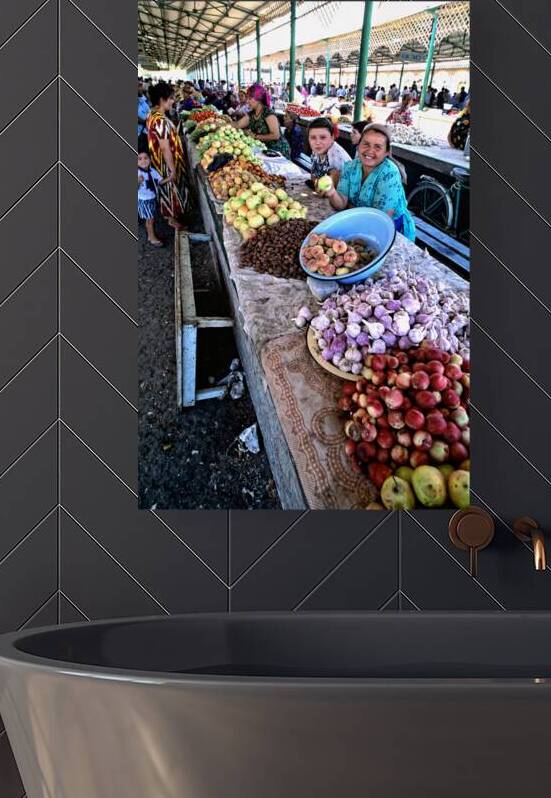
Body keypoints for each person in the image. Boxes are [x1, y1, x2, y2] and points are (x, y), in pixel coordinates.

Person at [317, 123, 415, 241]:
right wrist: (332, 192)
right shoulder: (350, 167)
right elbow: (341, 204)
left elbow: (380, 219)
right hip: (360, 225)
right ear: (358, 146)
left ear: (386, 152)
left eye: (377, 147)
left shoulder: (390, 174)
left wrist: (350, 206)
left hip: (391, 231)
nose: (370, 151)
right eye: (366, 144)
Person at [146, 82, 187, 229]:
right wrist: (172, 169)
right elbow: (164, 147)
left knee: (166, 189)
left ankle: (169, 216)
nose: (173, 101)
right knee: (170, 188)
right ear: (162, 100)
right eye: (170, 98)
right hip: (164, 161)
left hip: (158, 160)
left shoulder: (152, 114)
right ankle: (171, 219)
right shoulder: (160, 120)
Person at [234, 84, 291, 157]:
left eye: (250, 99)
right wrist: (222, 123)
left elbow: (275, 135)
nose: (247, 101)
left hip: (277, 151)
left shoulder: (268, 113)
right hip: (264, 150)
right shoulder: (251, 114)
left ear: (258, 99)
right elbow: (238, 125)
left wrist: (255, 136)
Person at [307, 116, 351, 188]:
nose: (317, 142)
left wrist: (317, 184)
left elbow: (329, 189)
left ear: (332, 137)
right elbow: (313, 177)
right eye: (313, 137)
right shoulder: (318, 149)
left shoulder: (336, 158)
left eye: (323, 137)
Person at [138, 150, 164, 247]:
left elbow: (160, 181)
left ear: (150, 159)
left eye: (145, 158)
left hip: (152, 198)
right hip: (144, 200)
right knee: (150, 220)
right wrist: (138, 181)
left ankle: (150, 236)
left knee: (151, 219)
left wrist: (170, 178)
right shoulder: (138, 173)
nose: (143, 161)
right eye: (139, 159)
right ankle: (152, 238)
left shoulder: (152, 171)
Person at [138, 79, 150, 149]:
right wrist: (147, 121)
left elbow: (148, 110)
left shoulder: (142, 98)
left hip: (145, 133)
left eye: (141, 85)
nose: (141, 88)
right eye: (139, 86)